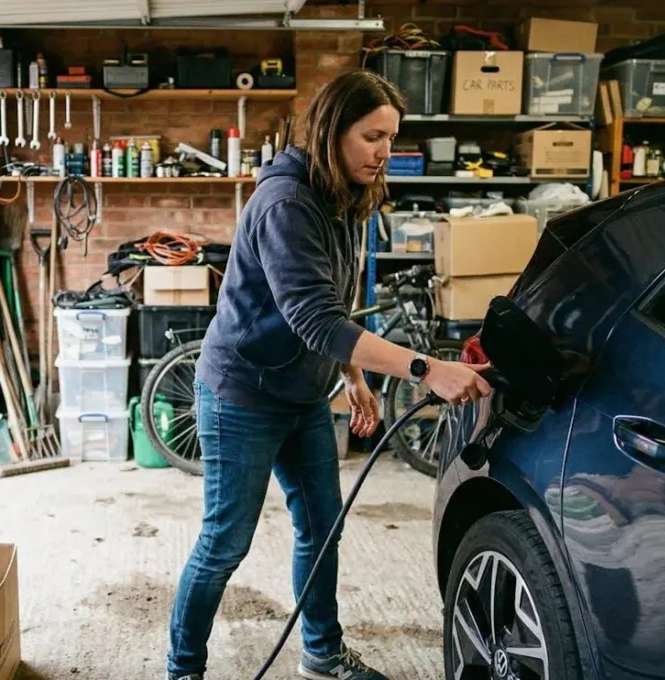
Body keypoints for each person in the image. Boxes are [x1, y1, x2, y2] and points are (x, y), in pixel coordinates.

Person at [165, 70, 493, 680]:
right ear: (331, 131)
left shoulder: (345, 194)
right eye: (373, 136)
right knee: (224, 544)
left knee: (322, 528)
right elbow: (314, 319)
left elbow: (332, 306)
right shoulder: (285, 204)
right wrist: (425, 370)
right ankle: (183, 670)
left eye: (392, 138)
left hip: (305, 391)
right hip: (243, 392)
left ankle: (322, 651)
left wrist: (354, 377)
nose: (385, 152)